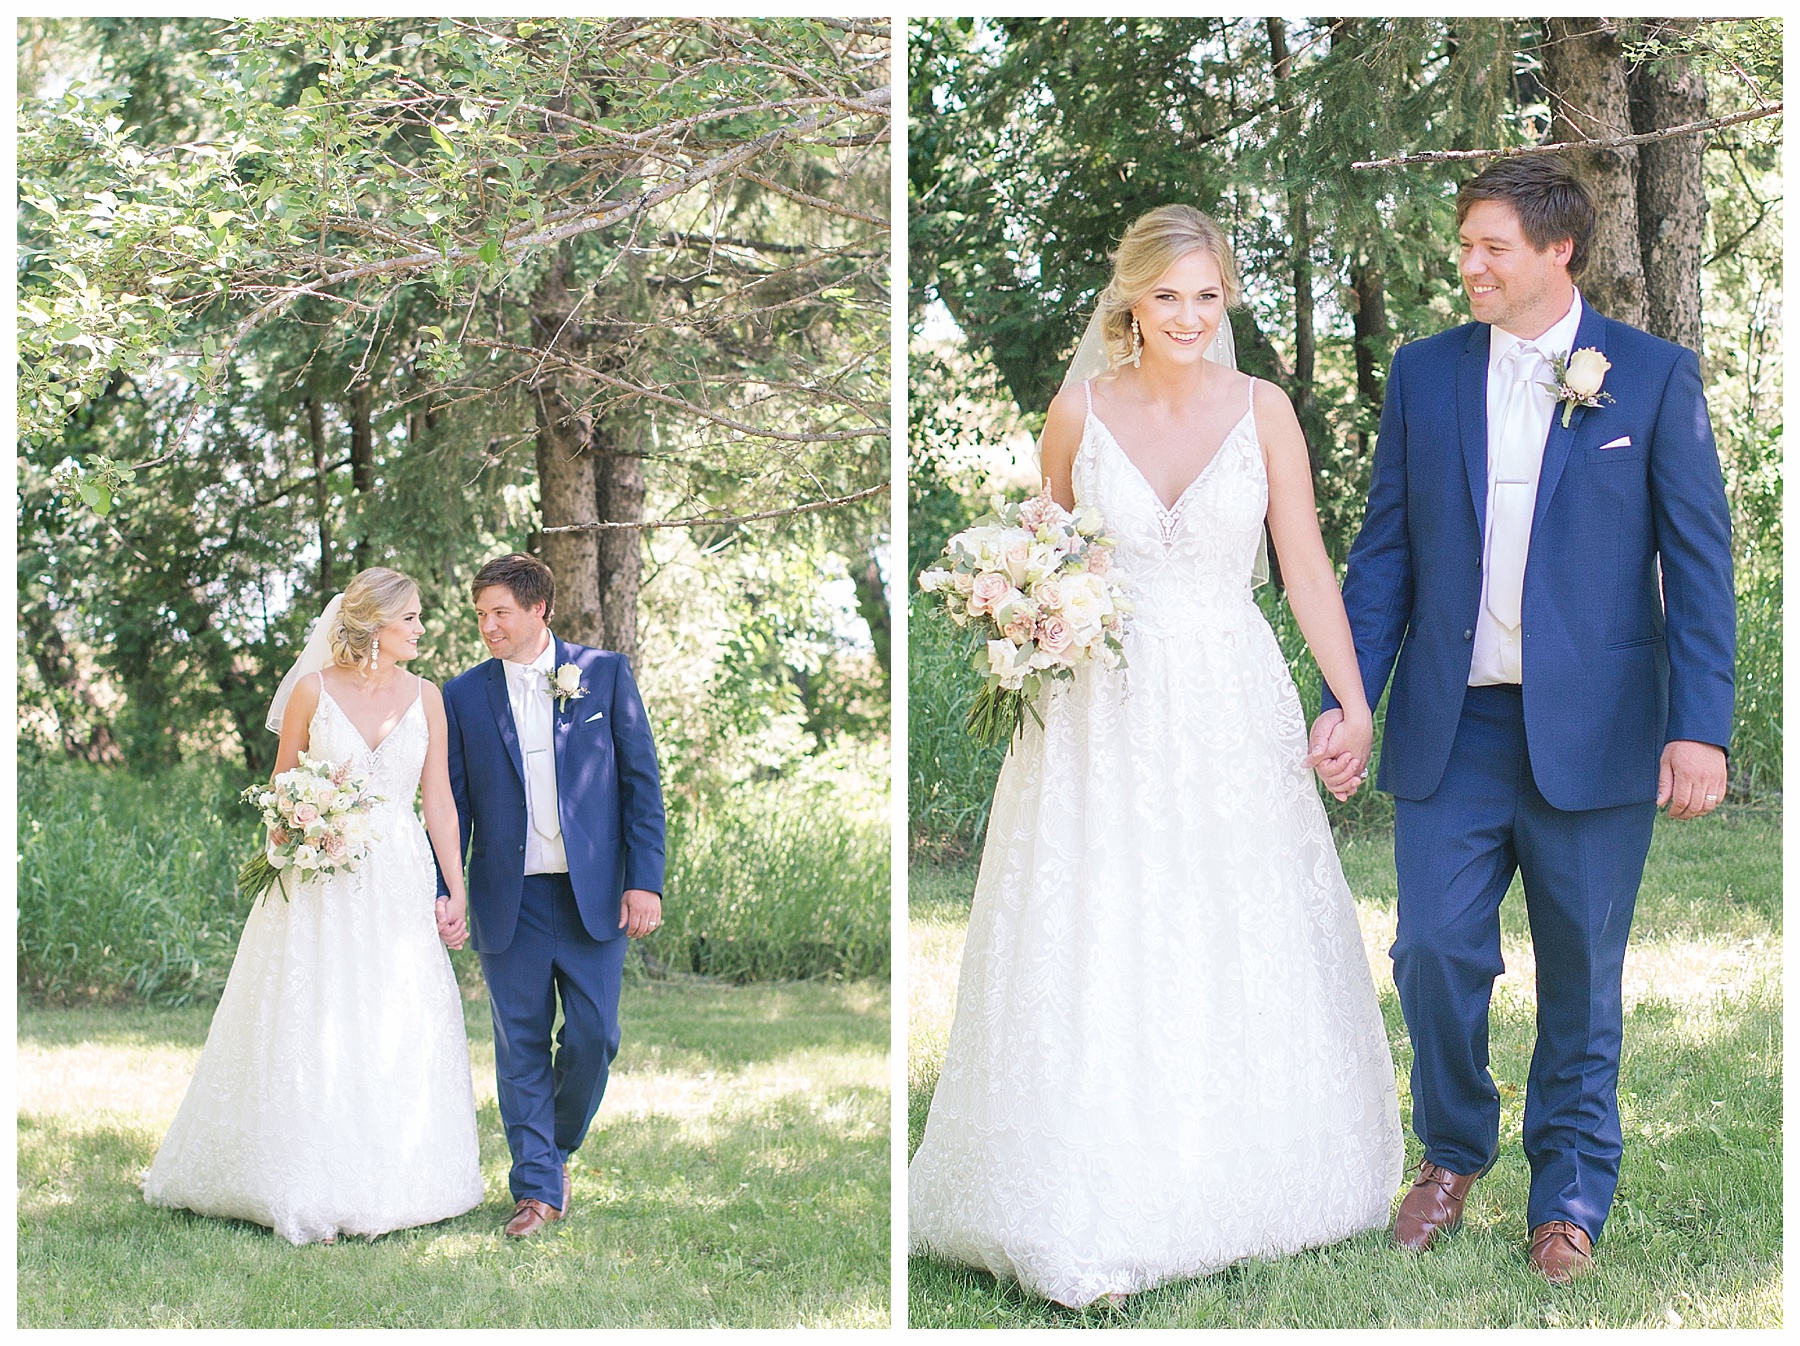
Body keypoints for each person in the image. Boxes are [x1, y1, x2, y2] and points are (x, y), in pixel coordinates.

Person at [908, 205, 1404, 1307]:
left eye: (1207, 296)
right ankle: (1094, 1173)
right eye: (1167, 295)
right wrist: (1027, 618)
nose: (1187, 316)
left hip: (1231, 689)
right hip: (1104, 705)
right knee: (1109, 917)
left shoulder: (1266, 411)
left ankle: (1246, 1166)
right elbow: (1045, 556)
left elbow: (1308, 567)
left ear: (1228, 300)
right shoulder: (1078, 412)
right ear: (1130, 299)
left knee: (1233, 913)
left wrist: (1354, 703)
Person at [1310, 156, 1734, 1282]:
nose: (1470, 264)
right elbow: (1385, 555)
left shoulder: (1650, 378)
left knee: (1582, 975)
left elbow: (1698, 567)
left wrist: (1702, 726)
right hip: (1455, 727)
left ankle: (1571, 1195)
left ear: (1560, 251)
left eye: (1492, 245)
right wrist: (1344, 700)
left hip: (1599, 728)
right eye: (1465, 244)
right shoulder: (1425, 373)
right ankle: (1452, 1153)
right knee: (1432, 952)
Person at [144, 567, 485, 1244]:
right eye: (411, 617)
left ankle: (393, 1174)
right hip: (320, 876)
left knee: (392, 1008)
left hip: (395, 870)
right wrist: (301, 829)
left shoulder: (428, 697)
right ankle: (297, 1175)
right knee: (316, 1009)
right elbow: (281, 784)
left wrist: (456, 886)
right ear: (374, 625)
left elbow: (437, 801)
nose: (422, 628)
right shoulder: (312, 689)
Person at [437, 553, 666, 1238]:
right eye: (480, 615)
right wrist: (446, 890)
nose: (488, 626)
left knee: (596, 1036)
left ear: (540, 610)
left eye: (500, 612)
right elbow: (451, 807)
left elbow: (641, 786)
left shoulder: (604, 675)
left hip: (593, 895)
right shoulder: (463, 695)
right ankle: (536, 1186)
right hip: (510, 900)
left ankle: (556, 1147)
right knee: (522, 1044)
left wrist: (645, 879)